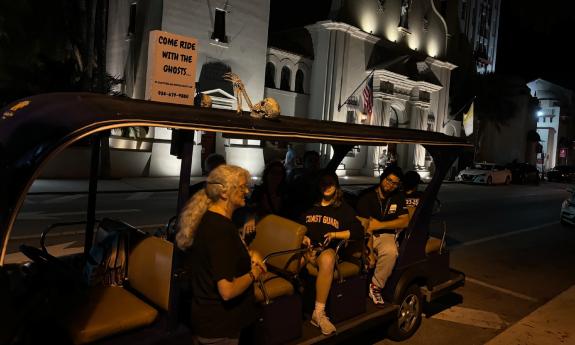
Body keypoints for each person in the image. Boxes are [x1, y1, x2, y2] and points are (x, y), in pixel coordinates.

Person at [176, 165, 267, 345]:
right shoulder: (221, 230)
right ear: (224, 193)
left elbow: (218, 260)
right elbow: (227, 291)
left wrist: (248, 255)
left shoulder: (209, 218)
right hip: (219, 326)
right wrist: (254, 273)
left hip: (205, 318)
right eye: (241, 187)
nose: (247, 191)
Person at [301, 170, 363, 335]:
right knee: (291, 259)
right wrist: (303, 236)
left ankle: (319, 313)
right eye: (323, 183)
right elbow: (297, 225)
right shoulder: (310, 205)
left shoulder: (343, 208)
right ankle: (284, 309)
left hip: (326, 251)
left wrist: (335, 234)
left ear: (336, 186)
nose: (327, 187)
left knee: (328, 258)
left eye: (330, 183)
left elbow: (358, 231)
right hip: (306, 250)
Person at [356, 166, 409, 307]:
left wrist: (380, 225)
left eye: (394, 183)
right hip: (367, 235)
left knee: (391, 252)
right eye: (388, 180)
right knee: (366, 256)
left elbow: (404, 221)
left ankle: (376, 286)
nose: (390, 185)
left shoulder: (397, 197)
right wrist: (370, 251)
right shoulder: (366, 197)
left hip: (386, 234)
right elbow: (365, 227)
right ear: (382, 178)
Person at [286, 150, 321, 220]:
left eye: (316, 161)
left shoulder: (323, 178)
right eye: (310, 161)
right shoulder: (295, 176)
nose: (313, 163)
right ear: (304, 163)